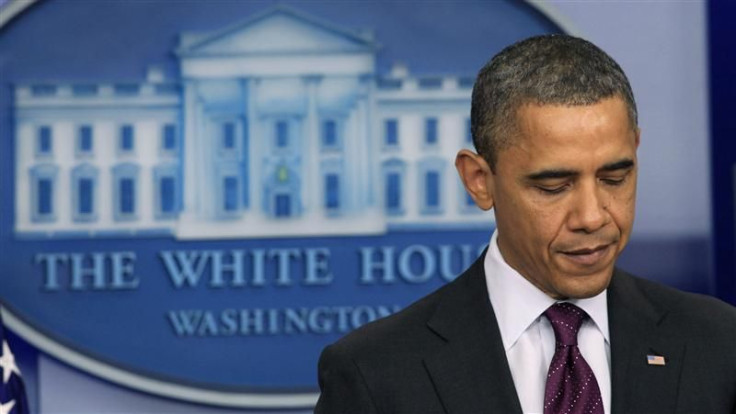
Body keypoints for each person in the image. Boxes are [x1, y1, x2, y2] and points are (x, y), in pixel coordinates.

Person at [314, 34, 736, 414]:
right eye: (554, 186)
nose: (592, 216)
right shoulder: (374, 373)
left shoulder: (719, 344)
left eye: (614, 178)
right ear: (480, 181)